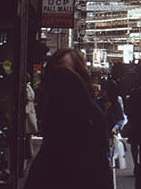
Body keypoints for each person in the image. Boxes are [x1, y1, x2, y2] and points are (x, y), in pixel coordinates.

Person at [24, 50, 113, 189]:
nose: (60, 77)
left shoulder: (92, 115)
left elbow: (101, 162)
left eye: (65, 71)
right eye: (55, 70)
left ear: (79, 74)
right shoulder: (51, 107)